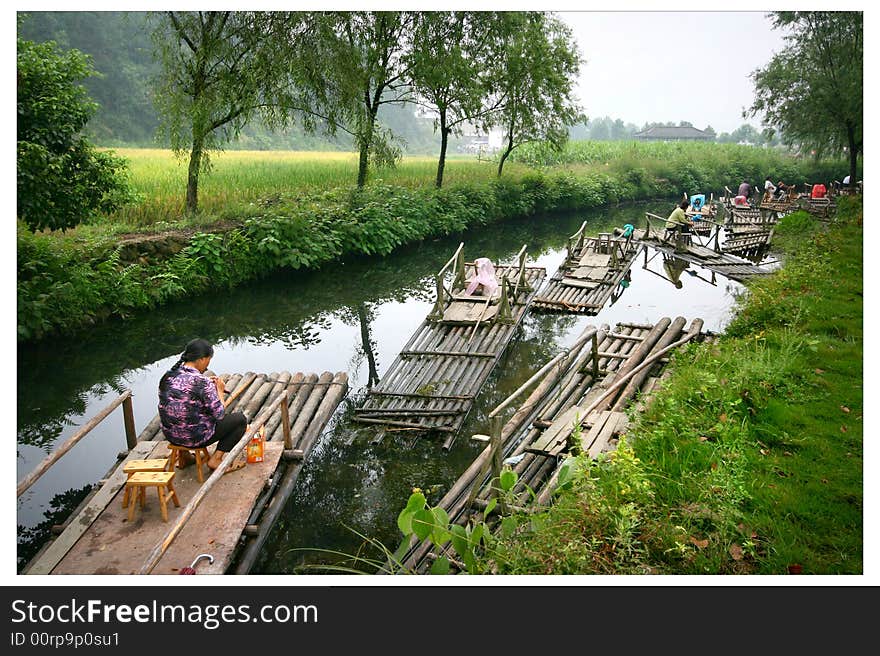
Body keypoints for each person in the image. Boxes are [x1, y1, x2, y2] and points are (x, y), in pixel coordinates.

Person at [158, 338, 248, 474]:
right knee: (240, 420)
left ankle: (185, 457)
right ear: (201, 359)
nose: (207, 365)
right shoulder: (201, 382)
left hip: (171, 435)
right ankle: (216, 460)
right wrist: (219, 391)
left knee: (181, 414)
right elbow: (219, 414)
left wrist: (207, 387)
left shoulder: (167, 376)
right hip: (194, 438)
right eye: (208, 360)